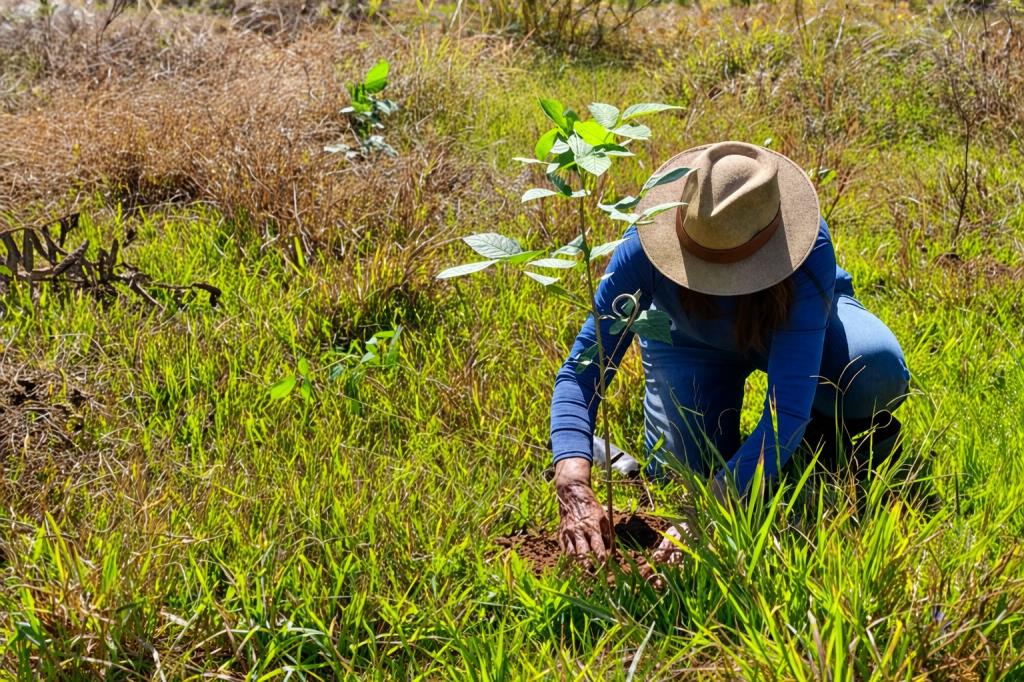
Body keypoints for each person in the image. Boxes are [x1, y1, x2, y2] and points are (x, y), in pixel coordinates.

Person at [550, 141, 910, 560]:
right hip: (690, 344)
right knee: (680, 474)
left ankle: (830, 437)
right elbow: (582, 370)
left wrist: (708, 514)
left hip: (791, 335)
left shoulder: (807, 252)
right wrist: (572, 481)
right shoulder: (643, 244)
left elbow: (784, 413)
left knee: (873, 370)